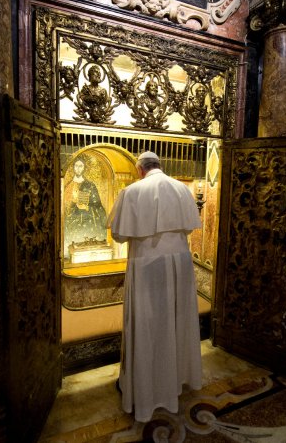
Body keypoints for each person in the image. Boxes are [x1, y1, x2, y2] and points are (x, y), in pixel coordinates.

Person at [107, 151, 202, 422]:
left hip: (146, 267)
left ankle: (145, 390)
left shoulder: (132, 191)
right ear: (160, 165)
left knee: (147, 325)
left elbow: (119, 234)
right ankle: (172, 383)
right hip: (179, 265)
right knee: (175, 321)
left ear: (140, 169)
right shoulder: (182, 190)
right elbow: (188, 227)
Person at [64, 156, 107, 258]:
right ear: (73, 167)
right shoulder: (68, 185)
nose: (78, 168)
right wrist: (72, 204)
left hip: (88, 221)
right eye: (76, 166)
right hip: (73, 221)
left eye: (81, 166)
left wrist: (87, 207)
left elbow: (98, 205)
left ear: (84, 168)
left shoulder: (90, 185)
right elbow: (64, 205)